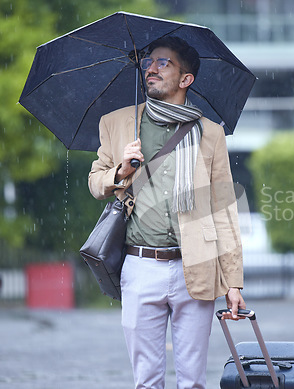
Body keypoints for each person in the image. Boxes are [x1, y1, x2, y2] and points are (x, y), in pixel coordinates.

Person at [88, 36, 245, 389]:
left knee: (193, 382)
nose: (151, 69)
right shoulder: (117, 123)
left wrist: (233, 282)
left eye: (164, 63)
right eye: (149, 62)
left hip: (198, 267)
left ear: (186, 79)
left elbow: (223, 208)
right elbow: (96, 183)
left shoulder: (210, 134)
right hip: (140, 266)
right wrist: (121, 172)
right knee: (146, 380)